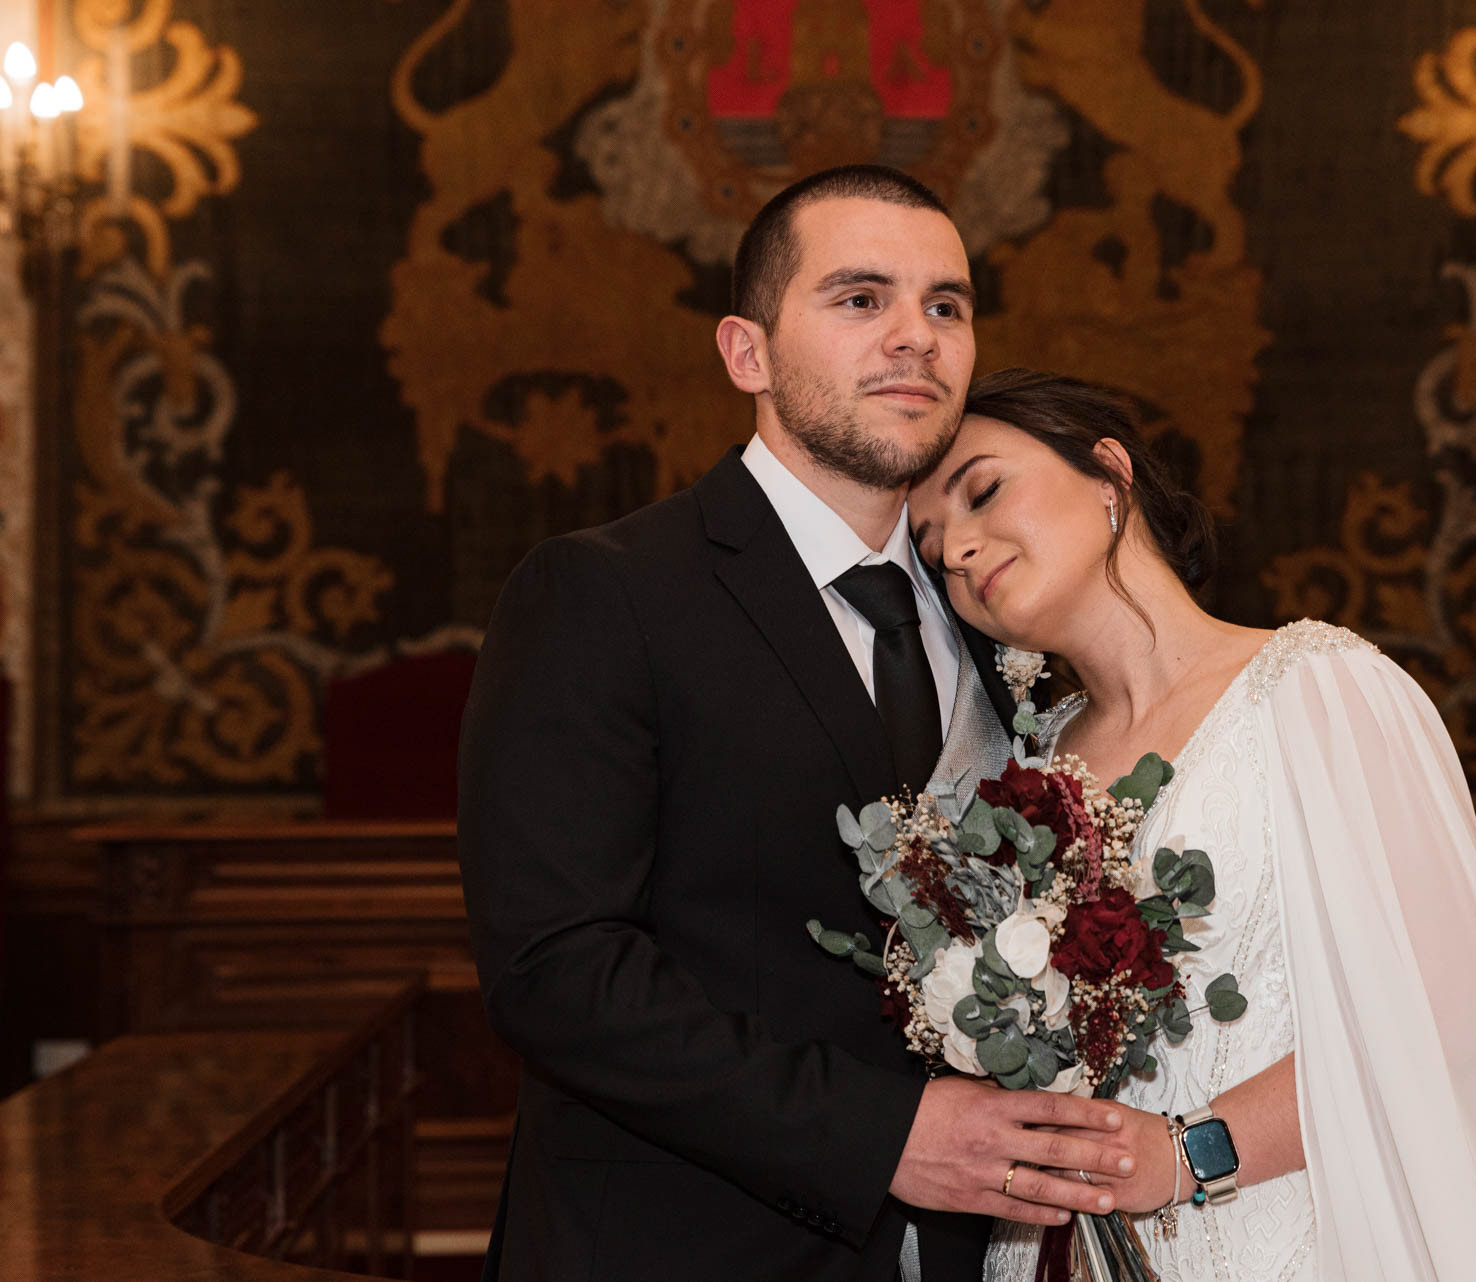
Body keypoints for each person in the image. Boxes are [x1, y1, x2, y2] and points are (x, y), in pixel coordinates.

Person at [457, 170, 1136, 1282]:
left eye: (947, 306)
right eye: (861, 299)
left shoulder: (996, 613)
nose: (916, 337)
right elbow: (557, 966)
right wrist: (883, 1136)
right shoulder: (605, 594)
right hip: (681, 1250)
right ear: (747, 353)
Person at [906, 369, 1476, 1281]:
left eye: (984, 491)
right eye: (929, 547)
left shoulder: (1322, 692)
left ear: (1109, 475)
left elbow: (1450, 1022)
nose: (957, 547)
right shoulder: (1022, 776)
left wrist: (1188, 1155)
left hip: (1301, 1234)